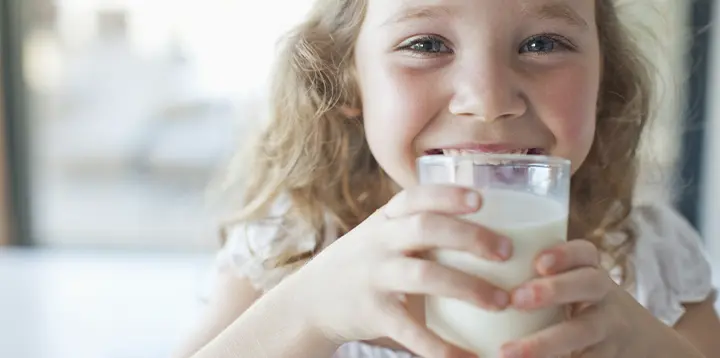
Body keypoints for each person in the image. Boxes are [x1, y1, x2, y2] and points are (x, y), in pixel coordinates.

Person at [176, 0, 720, 357]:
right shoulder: (289, 248)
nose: (487, 101)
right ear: (347, 80)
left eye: (543, 43)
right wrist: (308, 311)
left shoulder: (648, 257)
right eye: (426, 45)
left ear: (606, 76)